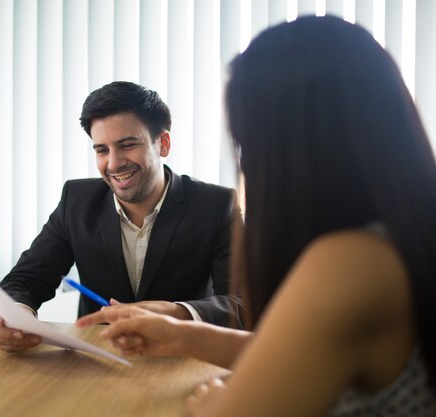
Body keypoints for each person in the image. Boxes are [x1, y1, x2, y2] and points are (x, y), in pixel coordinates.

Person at [76, 16, 436, 416]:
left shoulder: (349, 263)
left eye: (248, 142)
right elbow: (299, 350)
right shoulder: (396, 236)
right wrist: (182, 335)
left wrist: (212, 404)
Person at [0, 81, 245, 353]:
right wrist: (13, 315)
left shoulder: (216, 205)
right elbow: (24, 280)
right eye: (102, 150)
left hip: (183, 358)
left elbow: (242, 304)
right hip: (100, 359)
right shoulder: (76, 200)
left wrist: (175, 313)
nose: (114, 163)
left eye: (127, 145)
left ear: (163, 143)